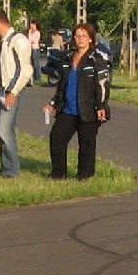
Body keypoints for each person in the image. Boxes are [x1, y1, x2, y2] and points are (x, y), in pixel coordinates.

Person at [45, 23, 111, 180]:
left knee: (86, 144)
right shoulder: (68, 59)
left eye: (84, 36)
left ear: (90, 39)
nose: (80, 39)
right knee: (57, 138)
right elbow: (62, 85)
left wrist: (101, 106)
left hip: (88, 110)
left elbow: (103, 86)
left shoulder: (96, 60)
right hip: (68, 110)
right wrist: (53, 103)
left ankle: (84, 175)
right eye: (77, 36)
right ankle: (58, 173)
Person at [0, 8, 32, 179]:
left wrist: (13, 92)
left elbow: (25, 70)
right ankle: (5, 166)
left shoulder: (18, 41)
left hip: (10, 91)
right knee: (0, 130)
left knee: (5, 131)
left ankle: (12, 170)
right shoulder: (0, 42)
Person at [26, 19, 43, 84]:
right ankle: (32, 77)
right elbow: (29, 39)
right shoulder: (29, 32)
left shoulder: (37, 32)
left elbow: (33, 41)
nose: (30, 25)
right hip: (30, 48)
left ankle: (38, 77)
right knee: (31, 64)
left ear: (35, 25)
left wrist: (30, 40)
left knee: (36, 64)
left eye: (32, 24)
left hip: (35, 49)